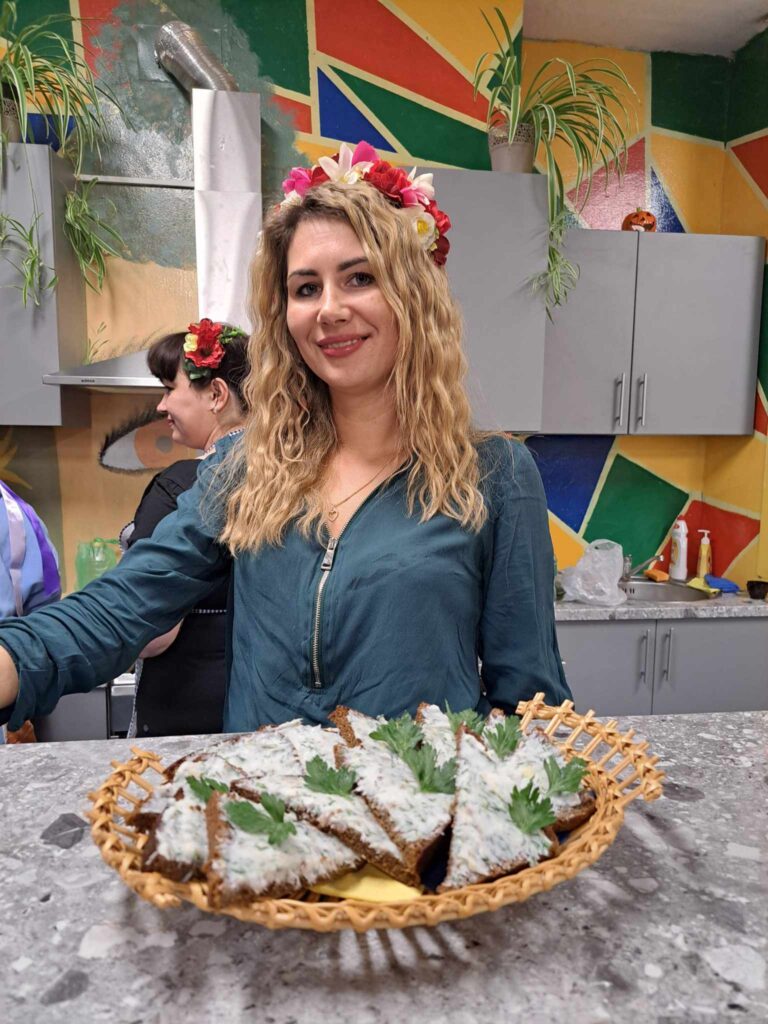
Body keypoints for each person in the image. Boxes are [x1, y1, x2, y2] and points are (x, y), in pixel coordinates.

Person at [0, 139, 570, 734]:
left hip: (414, 792)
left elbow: (531, 703)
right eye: (306, 288)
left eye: (360, 277)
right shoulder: (248, 466)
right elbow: (124, 604)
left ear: (415, 295)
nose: (329, 309)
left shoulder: (494, 475)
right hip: (260, 792)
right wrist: (13, 660)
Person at [121, 323, 249, 737]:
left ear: (216, 395)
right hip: (260, 714)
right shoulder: (291, 481)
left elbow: (149, 632)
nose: (161, 405)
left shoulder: (180, 486)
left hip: (184, 719)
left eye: (168, 389)